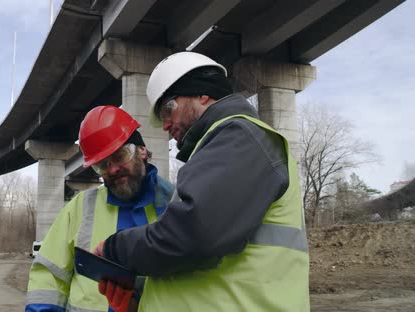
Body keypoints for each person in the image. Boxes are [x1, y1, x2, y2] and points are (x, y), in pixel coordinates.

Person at [94, 51, 310, 311]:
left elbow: (193, 234)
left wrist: (115, 248)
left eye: (167, 110)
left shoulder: (240, 136)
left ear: (202, 94)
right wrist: (138, 296)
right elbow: (201, 268)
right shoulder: (216, 151)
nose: (165, 126)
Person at [25, 105, 174, 312]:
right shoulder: (80, 207)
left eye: (121, 155)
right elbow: (48, 276)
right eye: (102, 165)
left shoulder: (175, 204)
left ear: (141, 150)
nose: (112, 169)